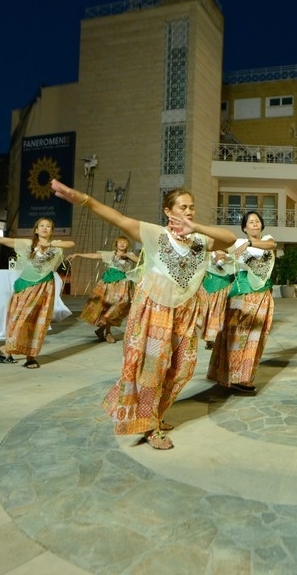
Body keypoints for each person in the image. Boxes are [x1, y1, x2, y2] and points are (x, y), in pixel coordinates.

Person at [51, 180, 236, 450]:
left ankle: (154, 414)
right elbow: (118, 218)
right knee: (152, 368)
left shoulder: (199, 240)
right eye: (182, 207)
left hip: (185, 310)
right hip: (154, 309)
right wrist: (85, 200)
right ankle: (149, 425)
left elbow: (229, 239)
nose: (189, 211)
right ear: (168, 211)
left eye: (191, 207)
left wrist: (194, 227)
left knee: (183, 367)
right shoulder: (156, 235)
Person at [0, 218, 75, 369]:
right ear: (36, 230)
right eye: (41, 226)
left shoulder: (56, 246)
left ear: (52, 231)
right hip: (25, 287)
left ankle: (31, 357)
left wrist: (49, 244)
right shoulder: (27, 244)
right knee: (18, 320)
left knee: (38, 322)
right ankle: (8, 349)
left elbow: (71, 244)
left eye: (48, 226)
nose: (44, 228)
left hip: (44, 288)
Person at [207, 211, 277, 394]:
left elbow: (271, 245)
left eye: (257, 221)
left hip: (262, 295)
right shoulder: (236, 243)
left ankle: (243, 378)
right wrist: (219, 256)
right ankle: (229, 376)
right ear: (244, 228)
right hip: (241, 295)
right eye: (250, 222)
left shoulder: (266, 239)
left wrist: (250, 243)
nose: (254, 224)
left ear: (261, 225)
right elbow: (220, 250)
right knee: (236, 337)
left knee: (255, 339)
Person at [67, 236, 140, 343]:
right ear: (116, 244)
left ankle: (101, 330)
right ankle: (108, 333)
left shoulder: (130, 255)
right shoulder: (111, 254)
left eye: (124, 242)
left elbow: (139, 261)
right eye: (120, 242)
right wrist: (78, 254)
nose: (122, 244)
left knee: (122, 303)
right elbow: (94, 255)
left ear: (128, 245)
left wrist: (127, 255)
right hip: (109, 283)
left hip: (123, 284)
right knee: (107, 306)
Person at [198, 250, 234, 350]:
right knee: (205, 311)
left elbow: (233, 266)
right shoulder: (208, 249)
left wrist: (226, 257)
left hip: (223, 284)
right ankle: (210, 338)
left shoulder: (229, 250)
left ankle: (213, 339)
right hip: (207, 283)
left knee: (218, 312)